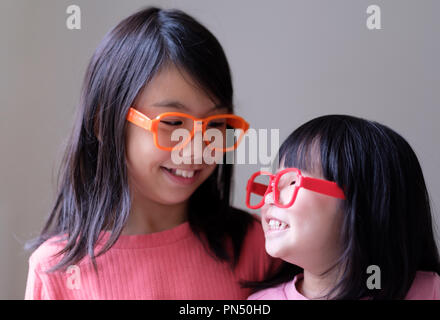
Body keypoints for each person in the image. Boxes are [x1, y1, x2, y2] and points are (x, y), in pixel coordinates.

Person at [25, 7, 280, 299]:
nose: (197, 150)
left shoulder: (262, 246)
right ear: (103, 124)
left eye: (217, 124)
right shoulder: (57, 272)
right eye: (172, 123)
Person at [246, 115, 440, 299]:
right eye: (273, 181)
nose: (270, 195)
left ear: (364, 206)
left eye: (291, 182)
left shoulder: (425, 292)